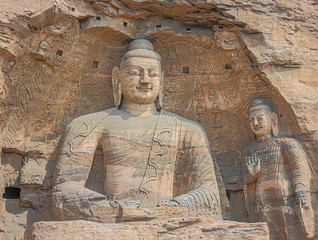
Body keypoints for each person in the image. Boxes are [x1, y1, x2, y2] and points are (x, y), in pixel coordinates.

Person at [51, 39, 222, 223]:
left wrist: (168, 209)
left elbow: (210, 195)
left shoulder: (188, 130)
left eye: (153, 74)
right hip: (110, 224)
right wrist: (114, 210)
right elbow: (64, 190)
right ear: (117, 77)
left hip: (167, 221)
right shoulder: (91, 125)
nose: (145, 80)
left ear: (162, 79)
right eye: (135, 73)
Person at [242, 97, 315, 240]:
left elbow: (299, 169)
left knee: (294, 233)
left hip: (287, 197)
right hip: (263, 200)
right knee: (269, 234)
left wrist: (301, 189)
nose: (255, 123)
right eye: (251, 120)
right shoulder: (249, 151)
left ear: (273, 119)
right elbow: (246, 181)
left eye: (259, 119)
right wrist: (252, 175)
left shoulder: (286, 144)